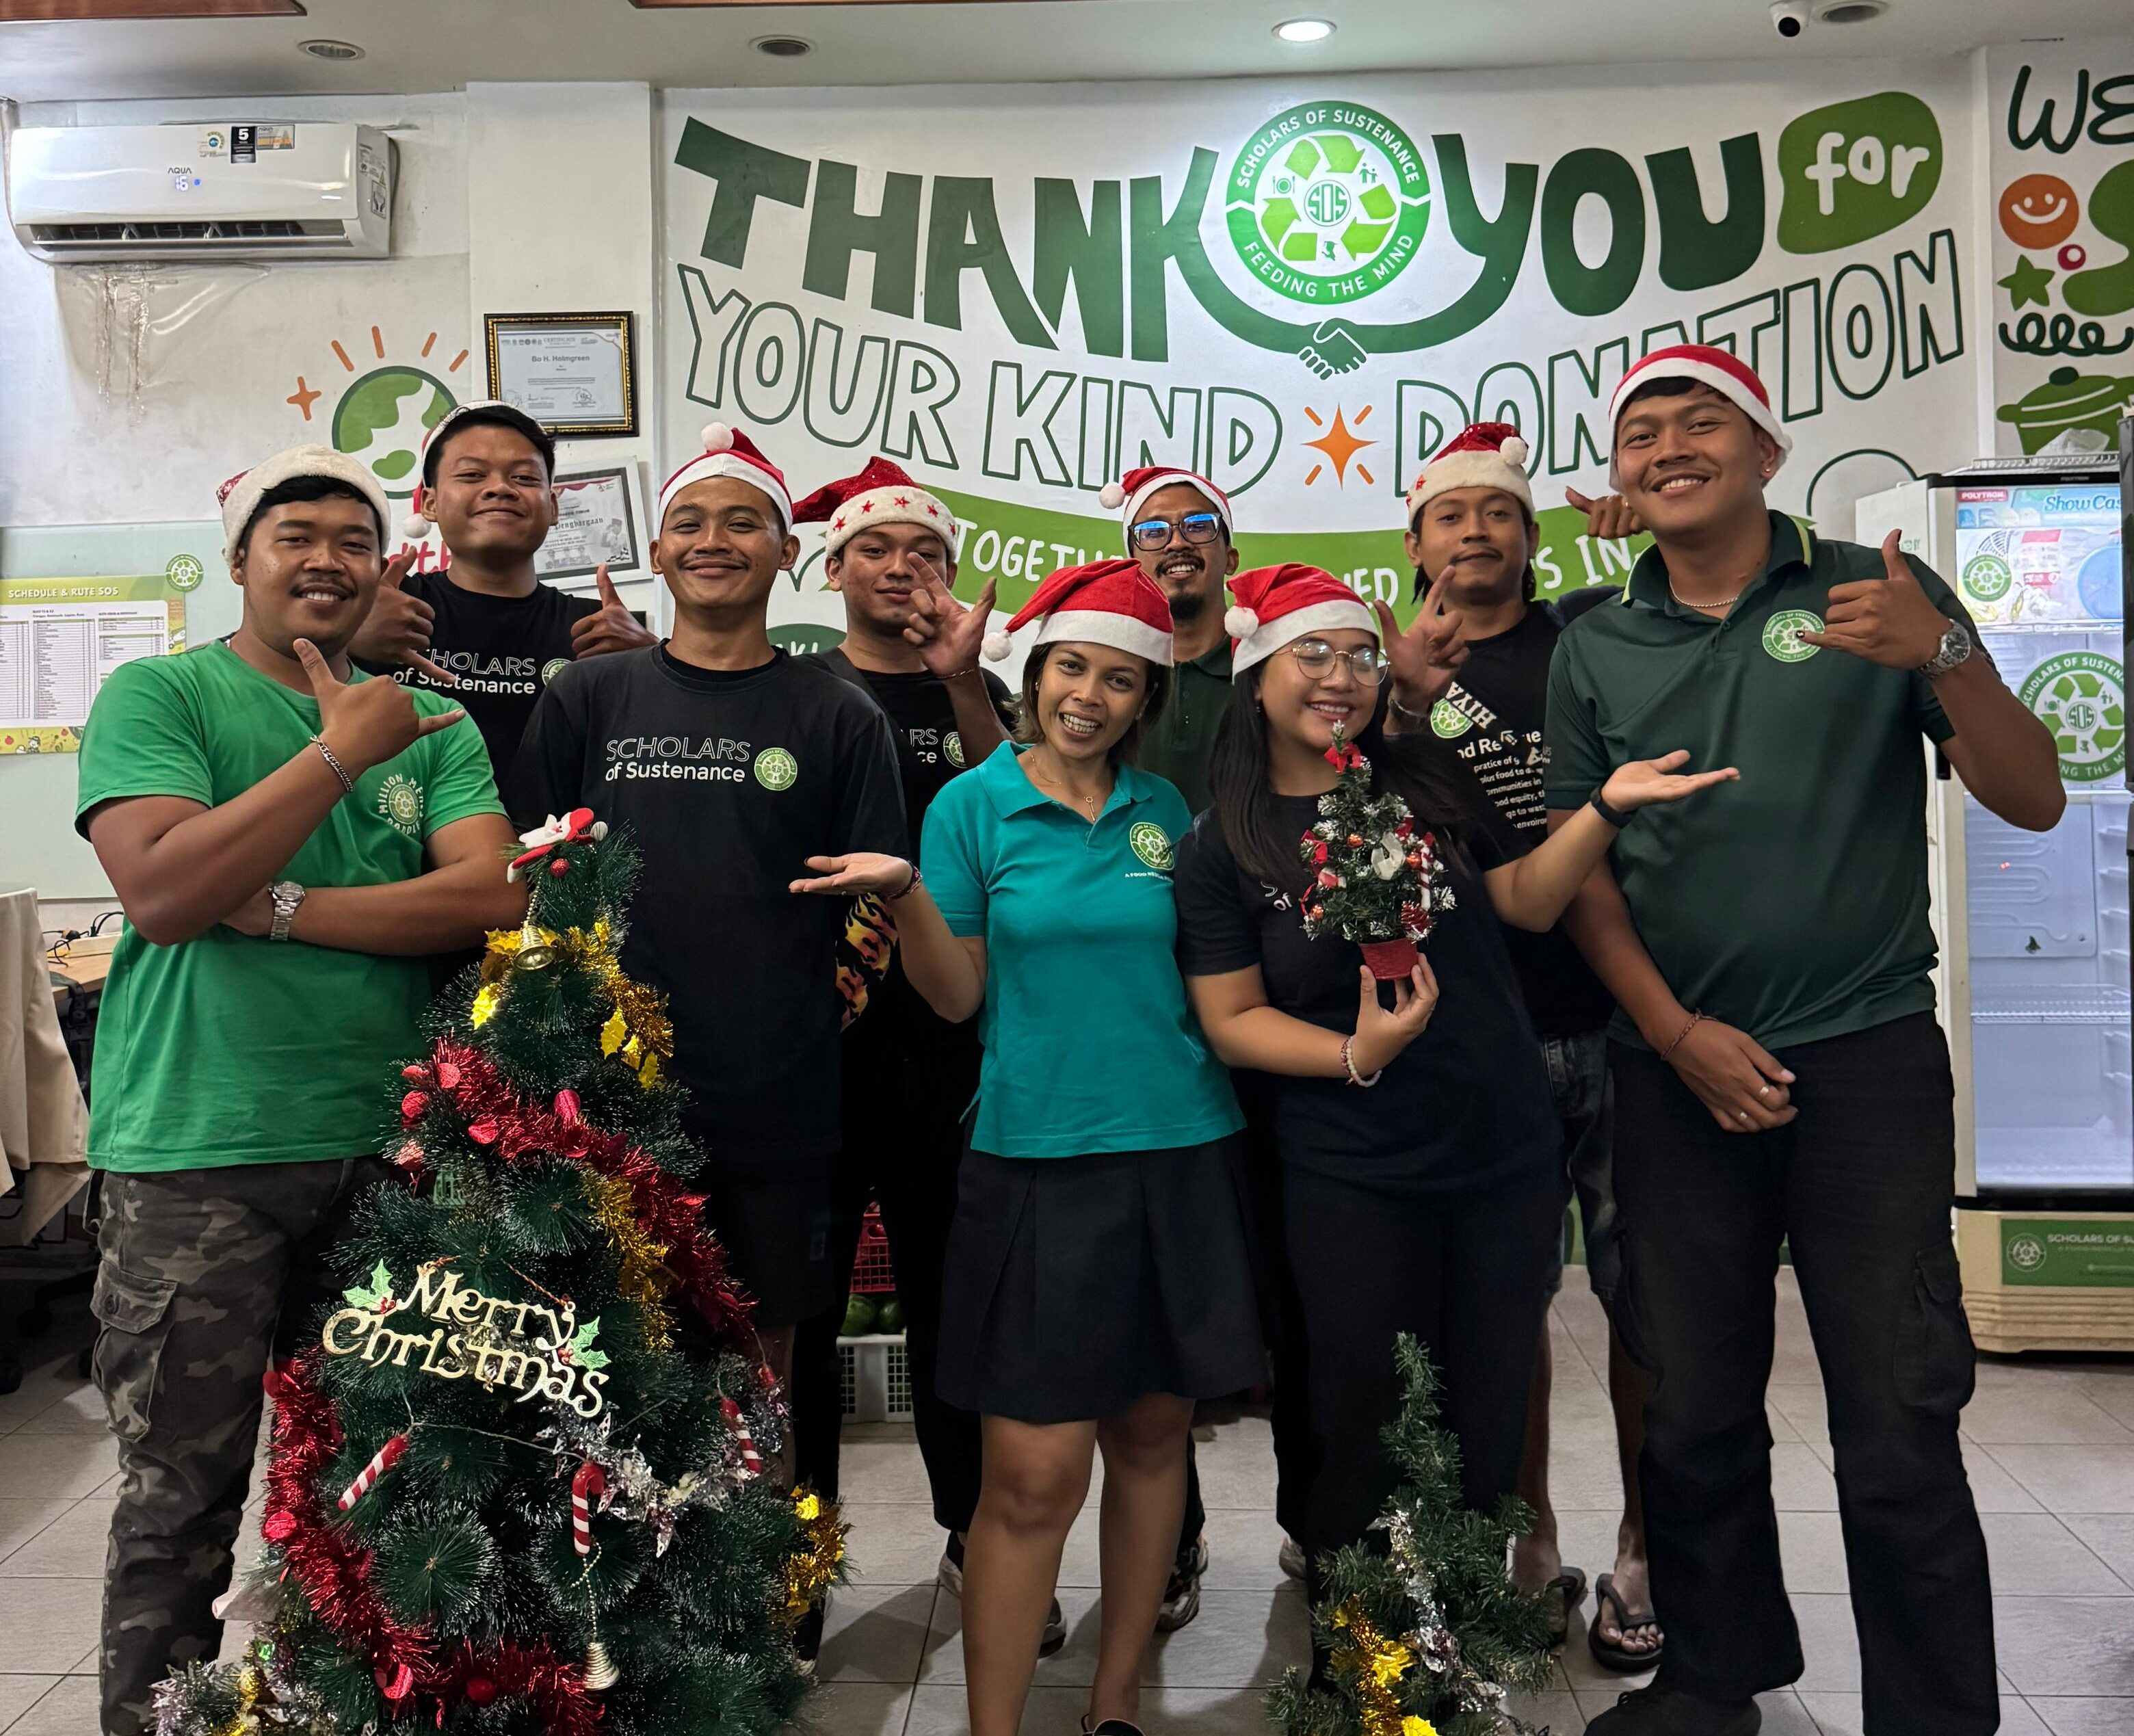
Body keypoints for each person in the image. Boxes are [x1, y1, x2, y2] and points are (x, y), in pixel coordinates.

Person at [1546, 345, 2064, 1736]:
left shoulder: (1874, 595)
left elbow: (2034, 797)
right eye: (1641, 431)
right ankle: (1712, 1680)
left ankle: (1935, 1715)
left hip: (1865, 1061)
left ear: (1767, 452)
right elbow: (1583, 876)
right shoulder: (1596, 638)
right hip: (1671, 1069)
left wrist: (1943, 652)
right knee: (1693, 1407)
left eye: (1700, 421)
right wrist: (1675, 1032)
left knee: (1898, 1415)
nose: (1668, 447)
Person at [1171, 561, 1732, 1628]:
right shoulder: (1223, 842)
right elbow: (1232, 1018)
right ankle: (1367, 1658)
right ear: (1256, 674)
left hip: (1499, 1155)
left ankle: (1466, 1640)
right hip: (1347, 1169)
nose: (1342, 675)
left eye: (1360, 656)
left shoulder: (1426, 779)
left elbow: (1524, 899)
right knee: (1362, 1414)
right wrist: (1357, 1050)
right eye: (1312, 653)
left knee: (1484, 1413)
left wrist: (1603, 808)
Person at [77, 447, 523, 1736]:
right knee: (181, 1499)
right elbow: (163, 891)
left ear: (386, 564)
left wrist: (270, 906)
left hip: (386, 1154)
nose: (327, 560)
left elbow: (493, 895)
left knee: (372, 1491)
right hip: (196, 1153)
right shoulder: (162, 692)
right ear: (240, 559)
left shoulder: (431, 722)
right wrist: (335, 758)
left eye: (353, 539)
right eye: (295, 537)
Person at [788, 558, 1261, 1736]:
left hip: (1183, 1149)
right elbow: (956, 997)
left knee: (1152, 1437)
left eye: (1119, 678)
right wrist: (906, 893)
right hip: (1037, 1158)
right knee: (1032, 1478)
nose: (1089, 696)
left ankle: (1115, 1704)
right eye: (1071, 669)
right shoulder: (972, 806)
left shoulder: (1165, 812)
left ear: (1147, 697)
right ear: (1034, 675)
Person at [506, 423, 906, 1463]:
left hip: (777, 1100)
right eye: (688, 521)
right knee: (602, 1363)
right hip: (605, 1100)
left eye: (743, 522)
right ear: (658, 550)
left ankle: (764, 1563)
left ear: (787, 552)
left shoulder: (840, 714)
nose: (713, 539)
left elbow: (874, 908)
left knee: (760, 1365)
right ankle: (622, 1566)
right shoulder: (586, 697)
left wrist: (803, 1019)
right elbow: (525, 882)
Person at [1403, 421, 1659, 1666]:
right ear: (1415, 544)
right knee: (1503, 1310)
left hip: (1619, 1020)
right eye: (1450, 515)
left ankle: (1644, 1545)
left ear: (1530, 533)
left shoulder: (1592, 635)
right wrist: (1397, 698)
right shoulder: (1385, 672)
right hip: (1473, 1041)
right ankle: (1533, 1537)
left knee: (1644, 1298)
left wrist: (1652, 533)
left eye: (1497, 511)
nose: (1475, 531)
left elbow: (1706, 612)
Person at [779, 458, 1037, 1640]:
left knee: (956, 1301)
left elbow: (1020, 815)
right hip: (813, 1046)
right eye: (875, 549)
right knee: (802, 1310)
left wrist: (963, 683)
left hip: (949, 1040)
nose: (900, 568)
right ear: (833, 569)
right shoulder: (795, 690)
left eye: (924, 551)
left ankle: (977, 1538)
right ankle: (794, 1558)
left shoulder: (985, 691)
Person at [350, 399, 655, 790]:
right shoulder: (384, 606)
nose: (500, 489)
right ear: (429, 503)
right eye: (472, 475)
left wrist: (654, 666)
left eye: (525, 478)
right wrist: (348, 638)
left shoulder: (596, 630)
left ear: (553, 506)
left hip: (557, 832)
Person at [1102, 464, 1241, 819]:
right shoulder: (1103, 673)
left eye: (1198, 526)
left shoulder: (1268, 670)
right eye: (1153, 532)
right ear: (1133, 565)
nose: (1177, 543)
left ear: (1231, 559)